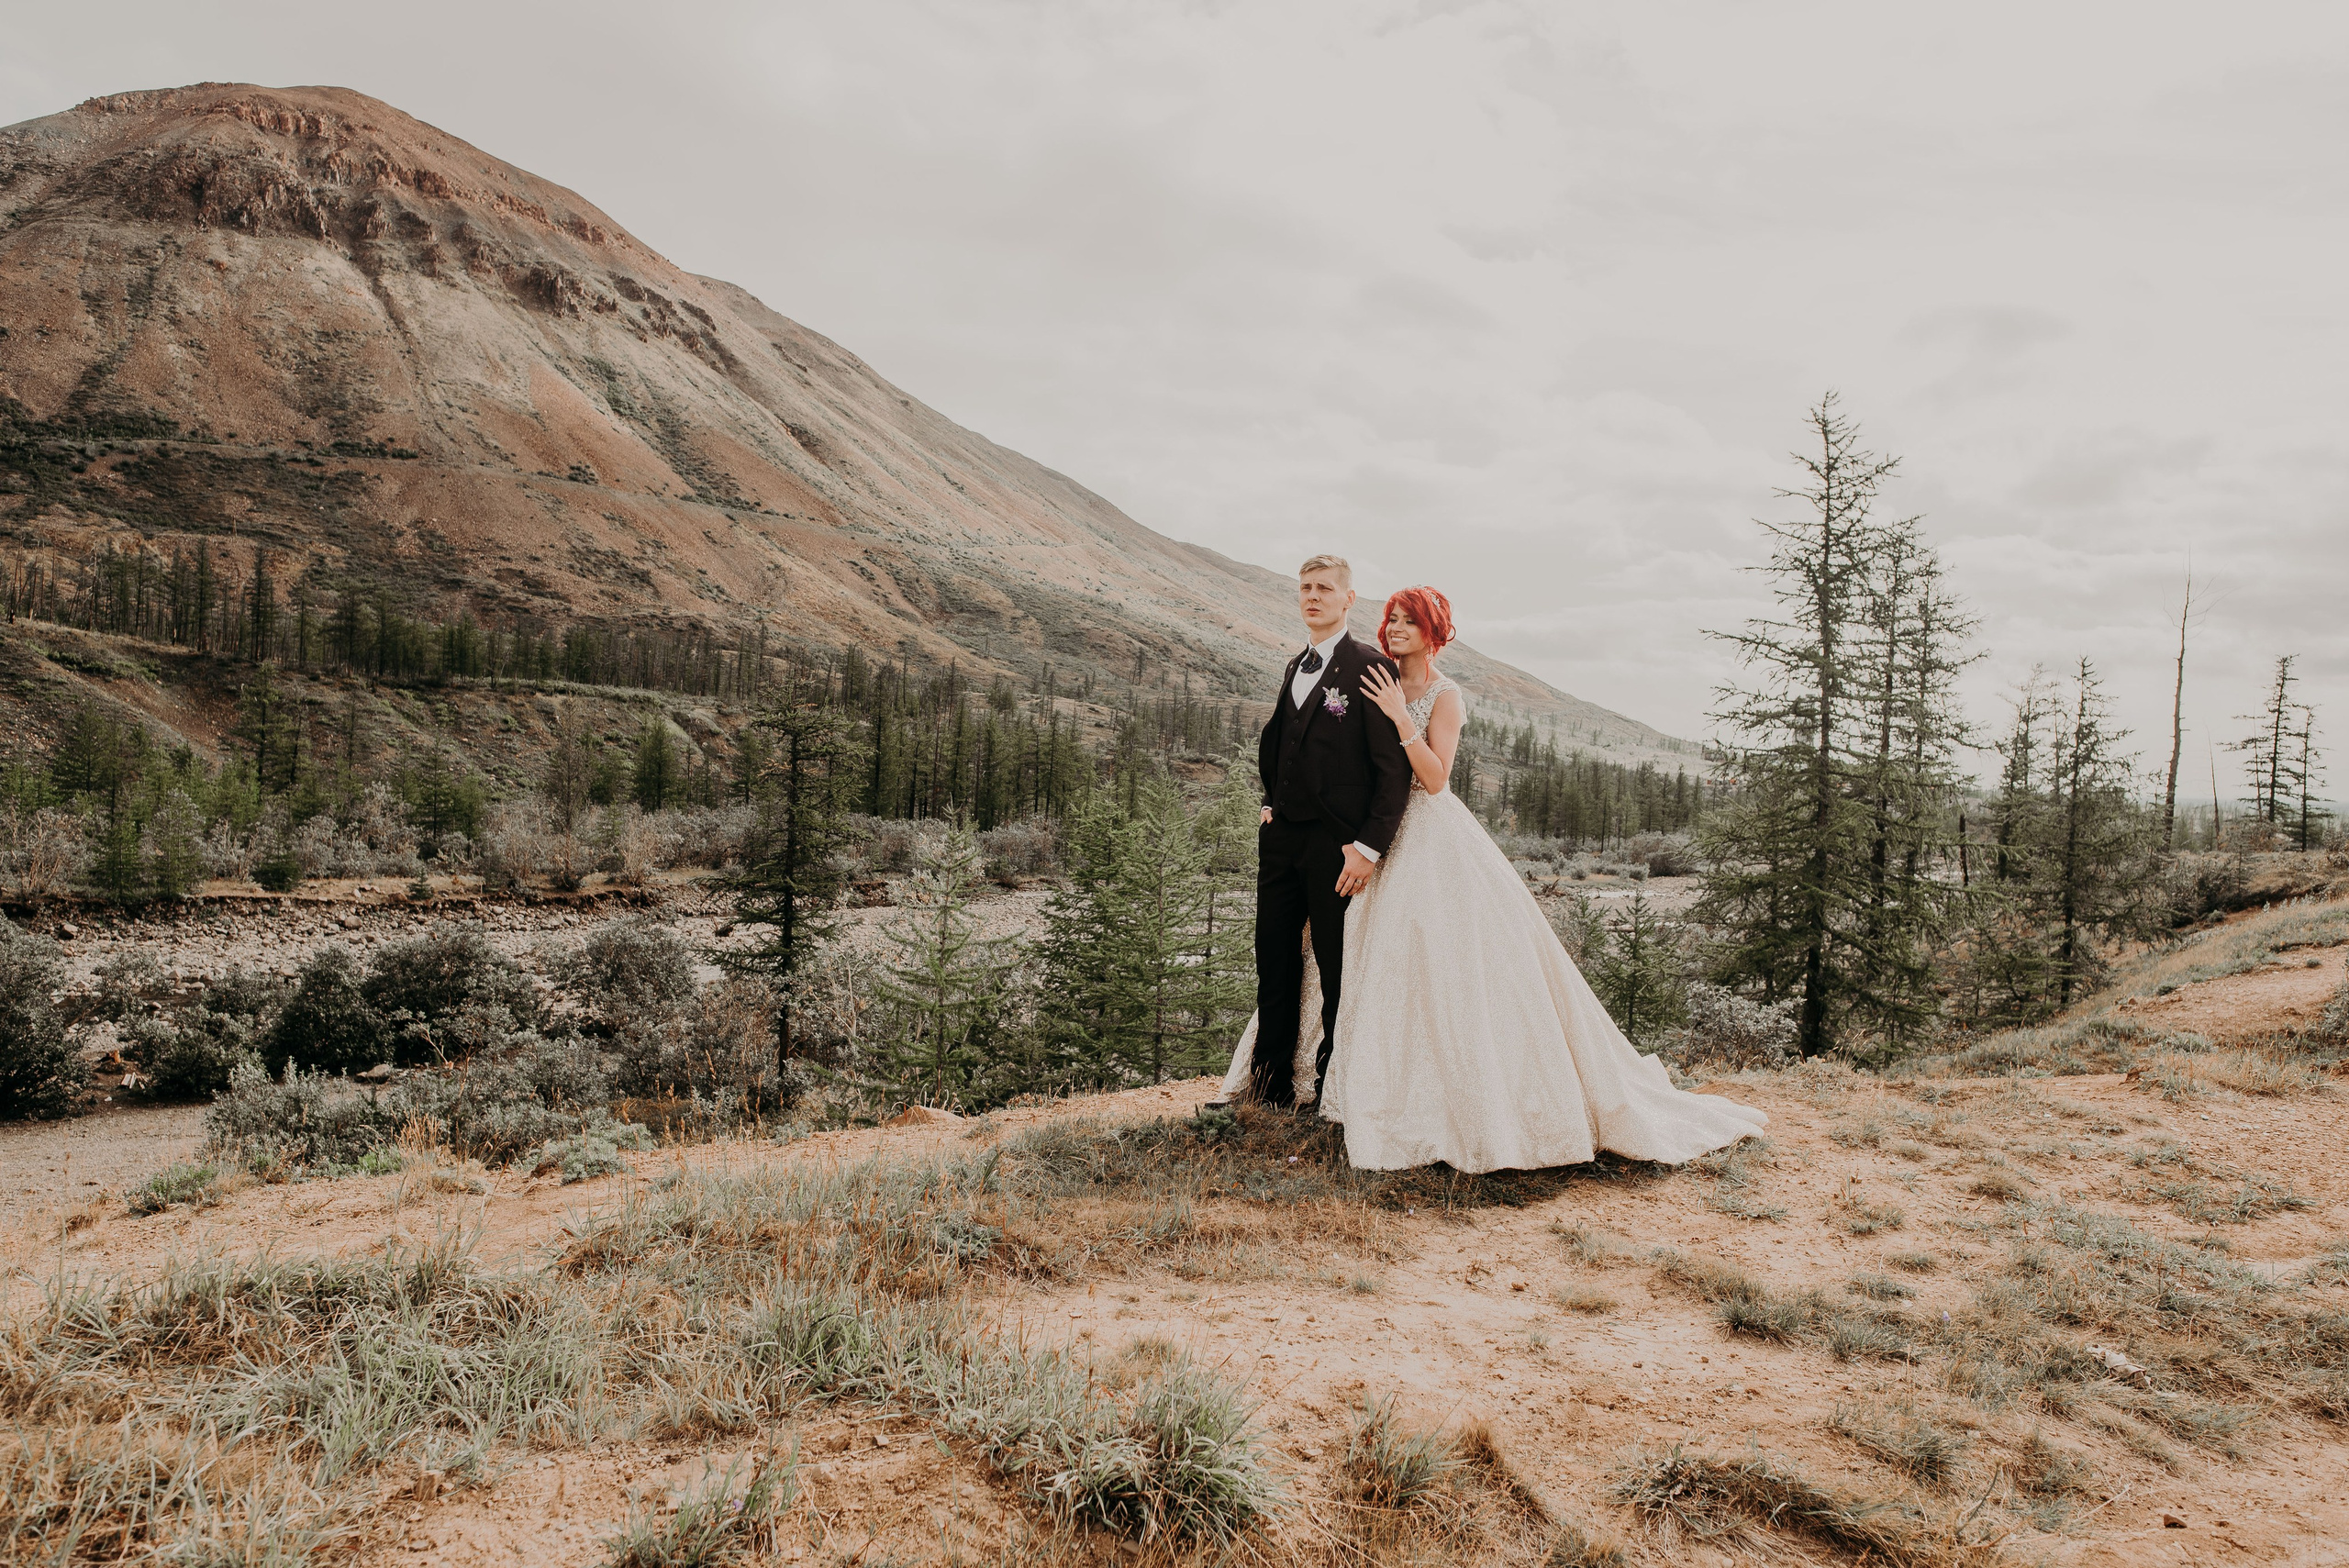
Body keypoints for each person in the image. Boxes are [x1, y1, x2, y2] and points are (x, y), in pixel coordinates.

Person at [1221, 584, 1767, 1172]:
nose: (1396, 629)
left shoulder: (1443, 695)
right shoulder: (1371, 677)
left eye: (1410, 622)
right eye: (1393, 620)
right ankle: (1347, 1083)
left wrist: (1401, 717)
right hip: (1372, 836)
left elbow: (1435, 780)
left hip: (1427, 834)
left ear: (1434, 632)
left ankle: (1454, 1098)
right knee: (1363, 959)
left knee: (1443, 962)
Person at [1242, 554, 1412, 1108]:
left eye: (1324, 589)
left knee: (1338, 969)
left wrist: (1368, 848)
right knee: (1274, 958)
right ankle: (1267, 1088)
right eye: (1305, 588)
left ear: (1348, 599)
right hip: (1283, 840)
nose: (1312, 597)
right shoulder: (1296, 665)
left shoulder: (1368, 665)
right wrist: (1271, 799)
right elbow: (1279, 741)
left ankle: (1330, 1090)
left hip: (1338, 848)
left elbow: (1394, 772)